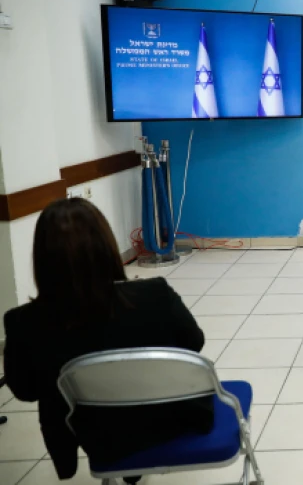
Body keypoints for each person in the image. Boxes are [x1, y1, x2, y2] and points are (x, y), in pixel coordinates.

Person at [3, 198, 212, 480]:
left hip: (95, 435)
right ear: (107, 245)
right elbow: (194, 342)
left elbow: (25, 391)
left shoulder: (23, 322)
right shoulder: (154, 295)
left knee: (53, 392)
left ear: (42, 258)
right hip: (174, 420)